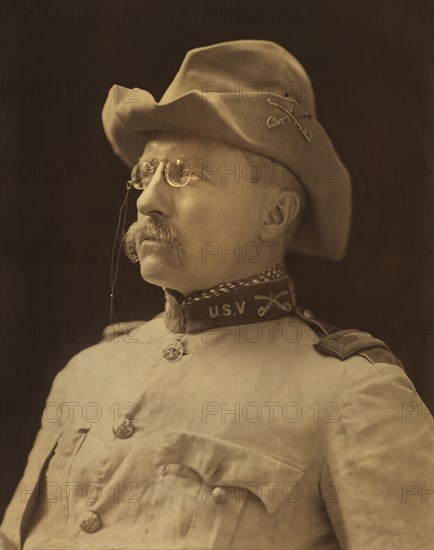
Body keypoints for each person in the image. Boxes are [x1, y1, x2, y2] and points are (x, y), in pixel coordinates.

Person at [1, 40, 432, 550]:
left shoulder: (353, 397)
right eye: (146, 173)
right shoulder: (86, 374)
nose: (149, 200)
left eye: (184, 173)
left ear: (274, 216)